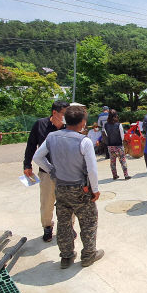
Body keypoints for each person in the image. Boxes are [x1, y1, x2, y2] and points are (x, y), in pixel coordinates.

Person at [32, 105, 103, 269]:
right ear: (83, 122)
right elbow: (92, 169)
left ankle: (66, 256)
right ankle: (88, 255)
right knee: (88, 222)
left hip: (61, 187)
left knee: (63, 223)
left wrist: (52, 170)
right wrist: (96, 189)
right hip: (80, 189)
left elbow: (37, 157)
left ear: (65, 120)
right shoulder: (84, 141)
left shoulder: (51, 137)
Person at [23, 100, 70, 242]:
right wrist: (27, 164)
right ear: (54, 113)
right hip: (46, 172)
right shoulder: (40, 125)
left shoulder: (69, 126)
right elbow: (31, 145)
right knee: (47, 202)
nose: (66, 116)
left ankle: (69, 227)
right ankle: (47, 227)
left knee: (68, 202)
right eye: (64, 113)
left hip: (66, 172)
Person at [102, 109, 130, 180]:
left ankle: (115, 175)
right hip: (119, 145)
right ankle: (126, 175)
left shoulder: (105, 125)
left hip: (110, 146)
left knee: (112, 161)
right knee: (122, 160)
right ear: (116, 116)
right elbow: (122, 136)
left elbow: (105, 135)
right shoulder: (119, 125)